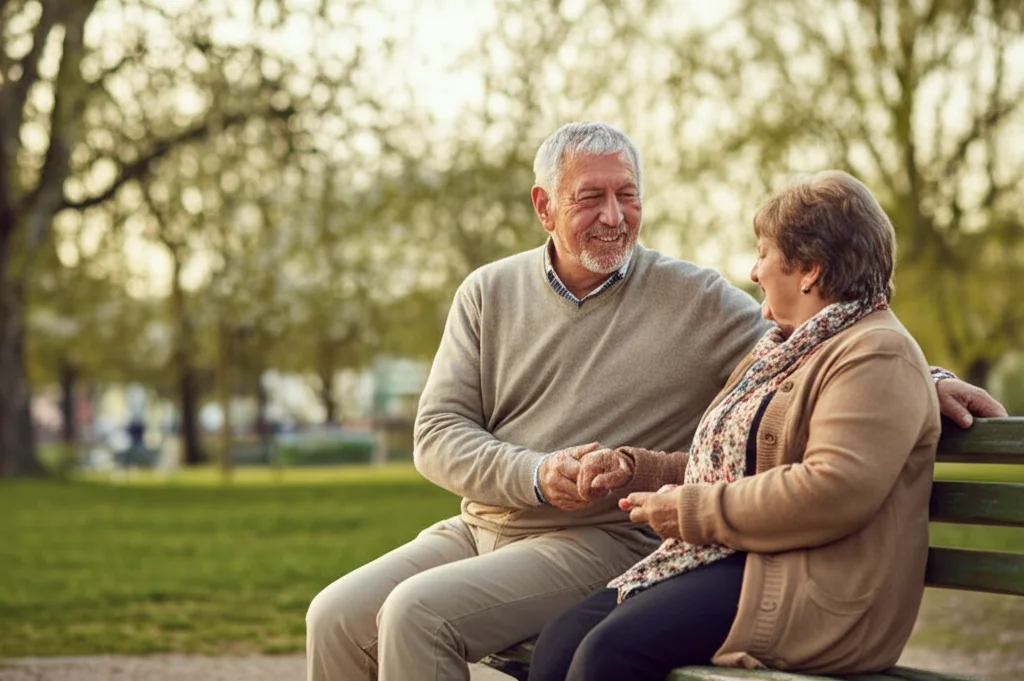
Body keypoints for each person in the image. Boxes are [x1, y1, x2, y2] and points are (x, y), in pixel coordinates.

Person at [305, 123, 1005, 681]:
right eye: (591, 198)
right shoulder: (487, 292)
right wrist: (538, 473)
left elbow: (823, 330)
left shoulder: (695, 299)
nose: (615, 216)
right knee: (333, 614)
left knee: (417, 615)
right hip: (483, 522)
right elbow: (437, 433)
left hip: (600, 537)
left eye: (628, 195)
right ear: (543, 205)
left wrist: (929, 377)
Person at [528, 170, 969, 681]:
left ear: (809, 268)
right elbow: (734, 466)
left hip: (814, 590)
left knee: (607, 655)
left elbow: (832, 490)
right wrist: (633, 471)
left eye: (763, 252)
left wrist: (690, 511)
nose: (755, 271)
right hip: (739, 558)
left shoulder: (876, 353)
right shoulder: (782, 348)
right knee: (560, 643)